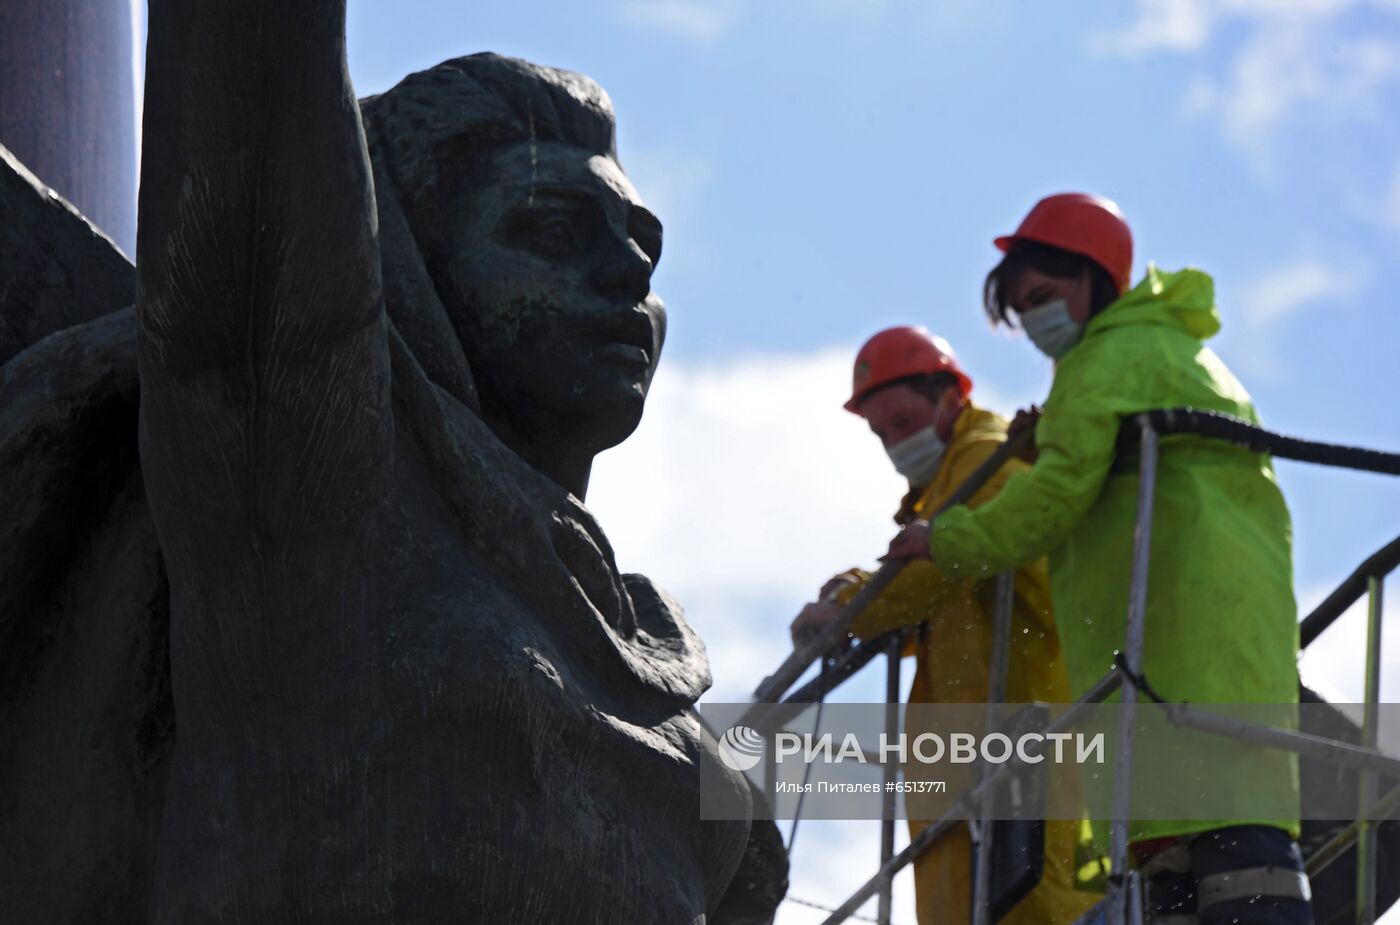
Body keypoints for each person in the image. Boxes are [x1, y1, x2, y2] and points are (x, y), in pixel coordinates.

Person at [119, 2, 783, 921]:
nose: (630, 271)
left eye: (644, 243)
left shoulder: (649, 649)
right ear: (397, 265)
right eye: (553, 230)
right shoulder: (323, 493)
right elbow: (252, 73)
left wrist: (1014, 756)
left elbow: (873, 769)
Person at [886, 193, 1310, 925]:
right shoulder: (1171, 350)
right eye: (1025, 310)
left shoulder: (1104, 359)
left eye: (1046, 296)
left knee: (1226, 865)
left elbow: (1052, 497)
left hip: (1166, 645)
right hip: (1213, 643)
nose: (1038, 321)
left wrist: (943, 540)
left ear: (1098, 276)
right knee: (1210, 854)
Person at [791, 327, 1097, 925]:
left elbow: (942, 575)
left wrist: (850, 613)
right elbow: (935, 610)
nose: (894, 444)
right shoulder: (938, 496)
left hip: (1025, 739)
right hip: (970, 759)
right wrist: (856, 592)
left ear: (951, 396)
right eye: (882, 434)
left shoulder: (988, 459)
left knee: (1041, 906)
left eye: (902, 423)